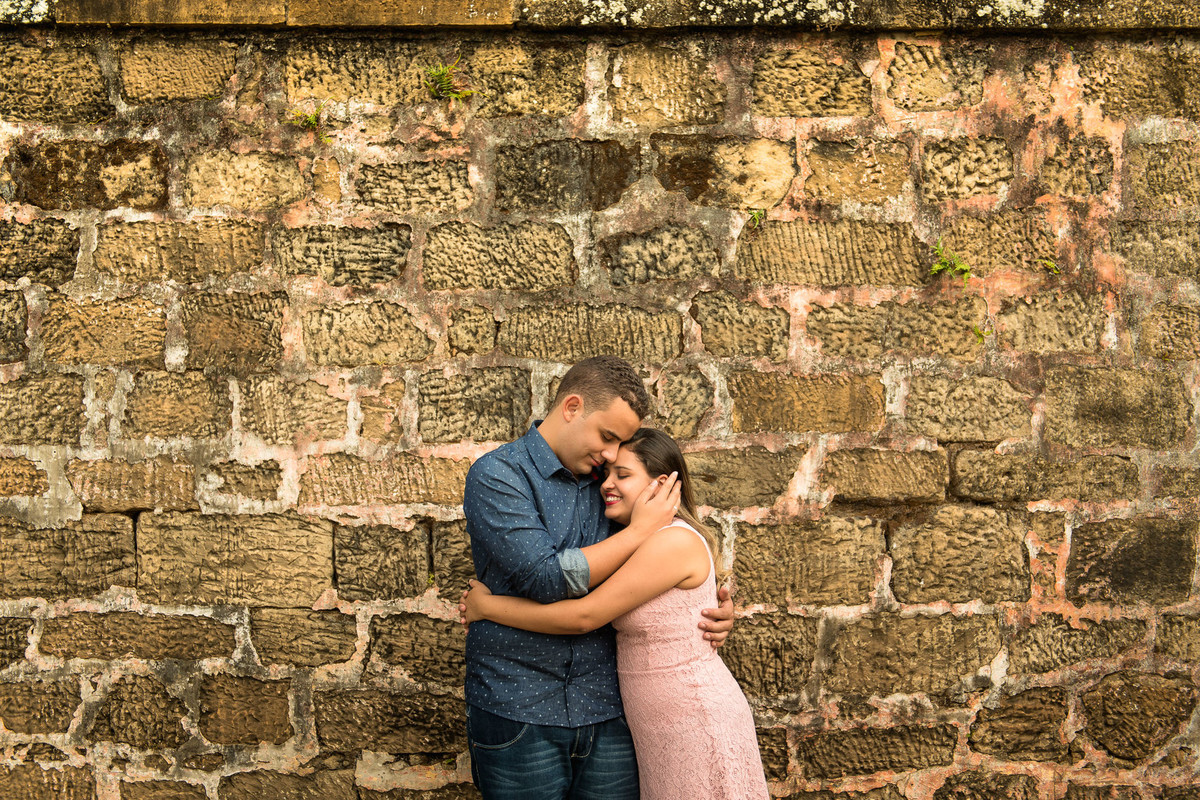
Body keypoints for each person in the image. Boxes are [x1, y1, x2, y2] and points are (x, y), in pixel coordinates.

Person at [462, 356, 735, 800]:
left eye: (620, 445)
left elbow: (669, 556)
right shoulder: (499, 475)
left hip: (608, 709)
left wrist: (712, 605)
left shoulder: (611, 481)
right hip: (518, 705)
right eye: (607, 436)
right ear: (572, 407)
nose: (611, 455)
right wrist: (643, 530)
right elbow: (546, 578)